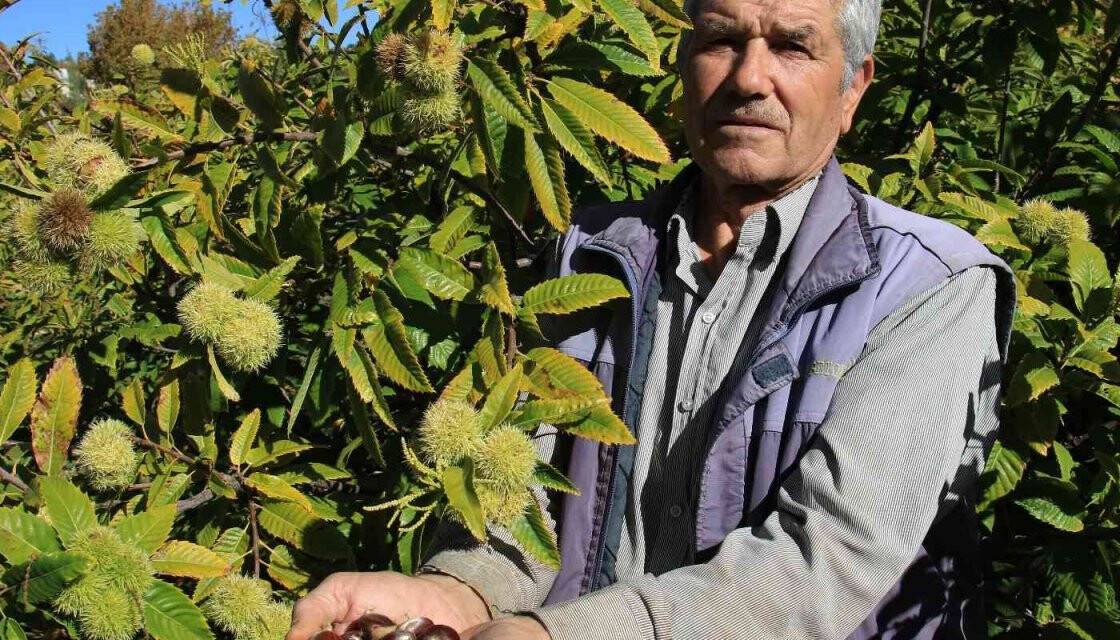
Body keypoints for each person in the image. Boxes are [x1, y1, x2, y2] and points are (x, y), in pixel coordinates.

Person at [288, 0, 1016, 637]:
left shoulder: (930, 285)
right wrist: (456, 594)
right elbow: (526, 489)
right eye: (720, 40)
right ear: (682, 61)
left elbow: (824, 563)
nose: (748, 78)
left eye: (792, 45)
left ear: (854, 85)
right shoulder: (590, 258)